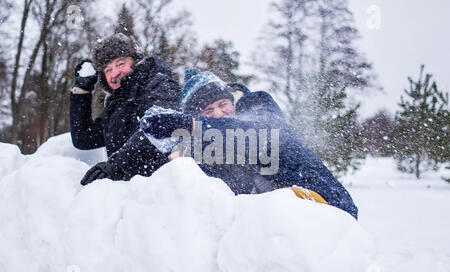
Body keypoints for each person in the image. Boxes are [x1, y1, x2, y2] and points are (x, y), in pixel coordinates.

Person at [140, 69, 358, 219]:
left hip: (326, 206)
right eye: (208, 110)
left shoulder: (258, 110)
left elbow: (260, 132)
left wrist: (190, 124)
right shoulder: (214, 152)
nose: (218, 114)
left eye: (223, 104)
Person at [70, 33, 181, 185]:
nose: (115, 73)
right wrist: (82, 90)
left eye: (120, 64)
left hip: (162, 190)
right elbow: (84, 138)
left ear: (136, 61)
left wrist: (117, 165)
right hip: (129, 195)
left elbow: (161, 126)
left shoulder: (158, 84)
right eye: (108, 70)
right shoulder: (117, 105)